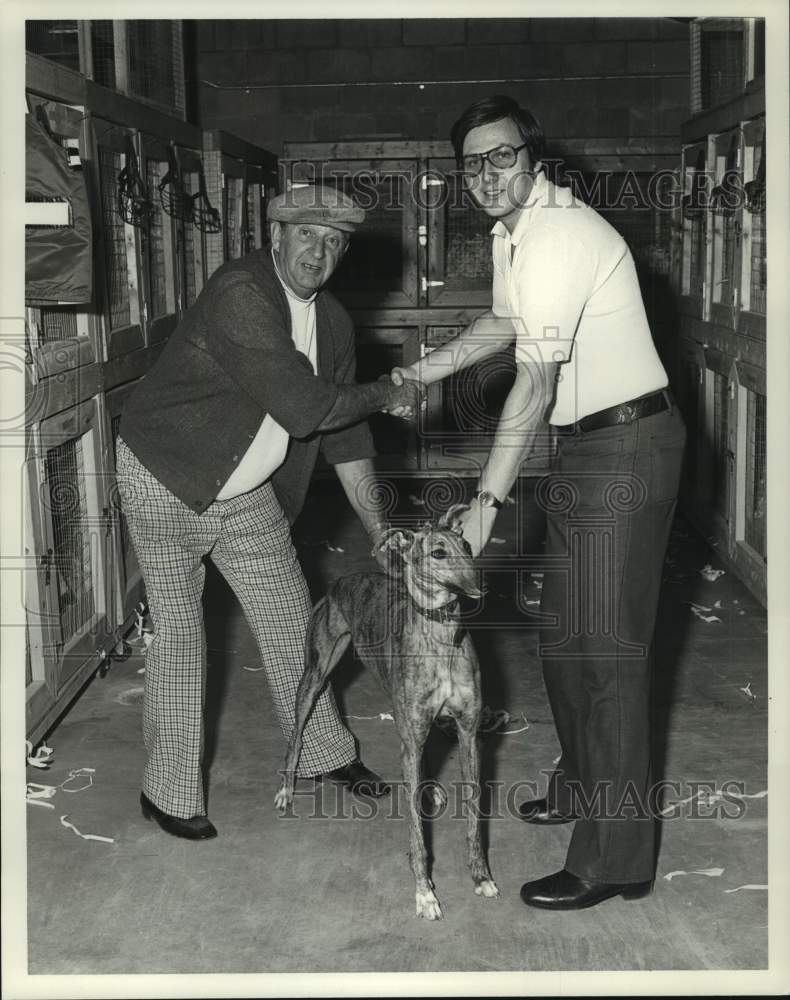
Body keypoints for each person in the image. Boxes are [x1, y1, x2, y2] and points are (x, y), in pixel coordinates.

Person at [390, 96, 686, 909]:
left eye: (502, 156)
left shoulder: (556, 231)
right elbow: (504, 322)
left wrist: (486, 501)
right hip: (586, 444)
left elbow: (536, 374)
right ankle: (581, 785)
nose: (488, 174)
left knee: (607, 655)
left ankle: (614, 858)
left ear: (534, 155)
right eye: (474, 163)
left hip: (627, 442)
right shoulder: (513, 233)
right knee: (563, 639)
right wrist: (426, 369)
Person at [116, 184, 423, 840]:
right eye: (306, 234)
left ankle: (321, 754)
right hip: (165, 475)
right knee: (180, 635)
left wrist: (380, 531)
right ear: (275, 237)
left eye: (334, 241)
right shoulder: (241, 294)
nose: (319, 251)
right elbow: (308, 407)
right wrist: (389, 392)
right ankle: (167, 792)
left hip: (243, 488)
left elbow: (342, 435)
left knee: (293, 623)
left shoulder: (334, 322)